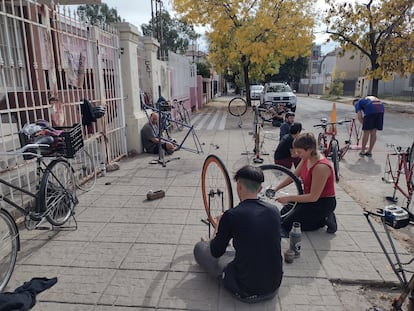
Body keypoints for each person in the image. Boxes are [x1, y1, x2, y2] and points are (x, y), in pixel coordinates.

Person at [193, 165, 283, 303]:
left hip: (245, 290)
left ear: (239, 186)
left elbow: (216, 252)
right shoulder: (274, 210)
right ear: (259, 189)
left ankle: (230, 279)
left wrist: (218, 227)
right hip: (274, 286)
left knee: (200, 248)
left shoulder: (232, 215)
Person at [274, 132, 337, 235]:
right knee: (282, 215)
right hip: (308, 198)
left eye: (299, 152)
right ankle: (318, 217)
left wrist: (289, 198)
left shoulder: (321, 167)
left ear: (310, 149)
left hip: (321, 202)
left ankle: (324, 218)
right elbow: (293, 177)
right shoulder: (306, 158)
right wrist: (276, 188)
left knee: (289, 224)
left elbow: (313, 197)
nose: (297, 154)